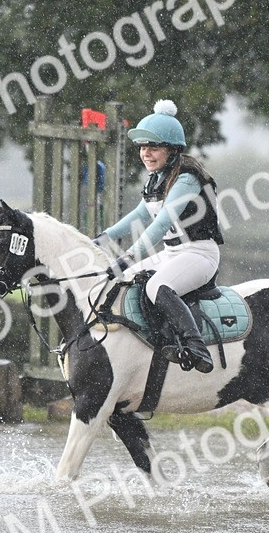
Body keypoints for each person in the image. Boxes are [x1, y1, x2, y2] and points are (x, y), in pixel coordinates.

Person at [95, 100, 223, 374]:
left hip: (199, 254)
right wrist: (104, 238)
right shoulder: (157, 178)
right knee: (123, 281)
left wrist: (128, 256)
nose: (146, 153)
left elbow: (162, 222)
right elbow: (140, 215)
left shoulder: (187, 179)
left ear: (172, 149)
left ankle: (195, 346)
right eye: (142, 147)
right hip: (173, 253)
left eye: (153, 147)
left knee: (156, 286)